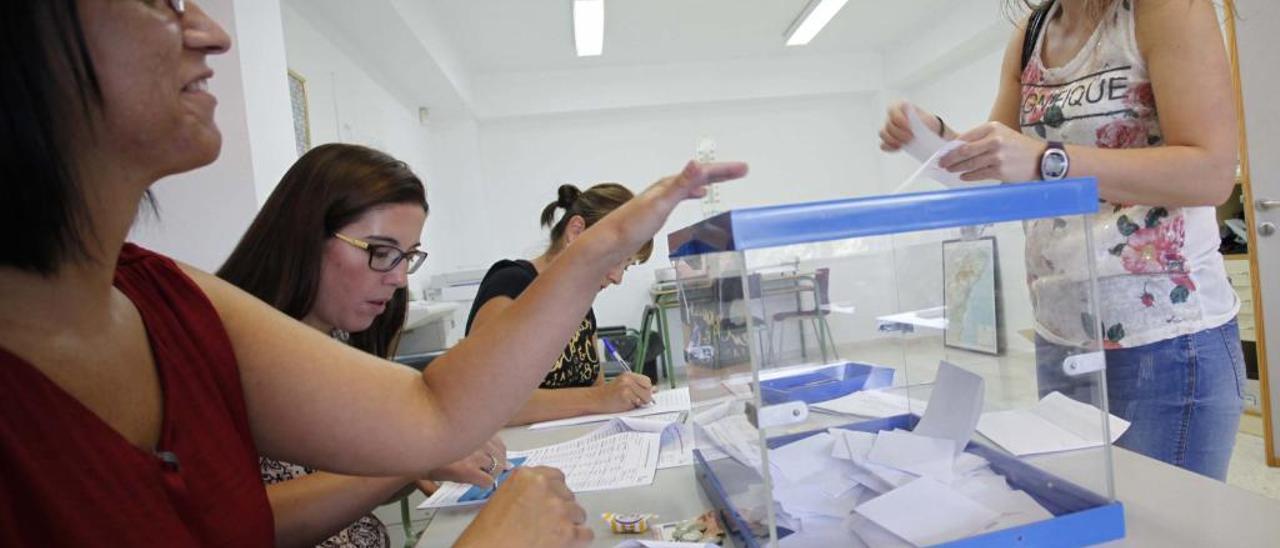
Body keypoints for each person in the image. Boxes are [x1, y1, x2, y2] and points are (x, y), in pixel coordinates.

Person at [0, 1, 748, 546]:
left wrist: (596, 250)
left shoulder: (169, 299)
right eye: (160, 1)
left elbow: (434, 411)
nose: (212, 30)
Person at [879, 0, 1243, 480]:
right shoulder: (1033, 32)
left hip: (1165, 340)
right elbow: (1004, 174)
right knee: (1091, 516)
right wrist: (940, 140)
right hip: (1062, 338)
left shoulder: (1162, 9)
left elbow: (1211, 173)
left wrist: (1048, 159)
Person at [218, 143, 508, 548]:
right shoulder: (221, 350)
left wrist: (420, 465)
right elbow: (234, 524)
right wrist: (412, 458)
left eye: (407, 256)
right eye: (381, 252)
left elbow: (334, 484)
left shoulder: (338, 339)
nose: (399, 279)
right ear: (305, 236)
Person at [466, 184, 657, 425]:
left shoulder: (581, 302)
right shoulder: (512, 283)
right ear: (576, 232)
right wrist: (598, 398)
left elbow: (593, 387)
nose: (617, 278)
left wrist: (625, 395)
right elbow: (484, 401)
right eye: (617, 258)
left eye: (626, 266)